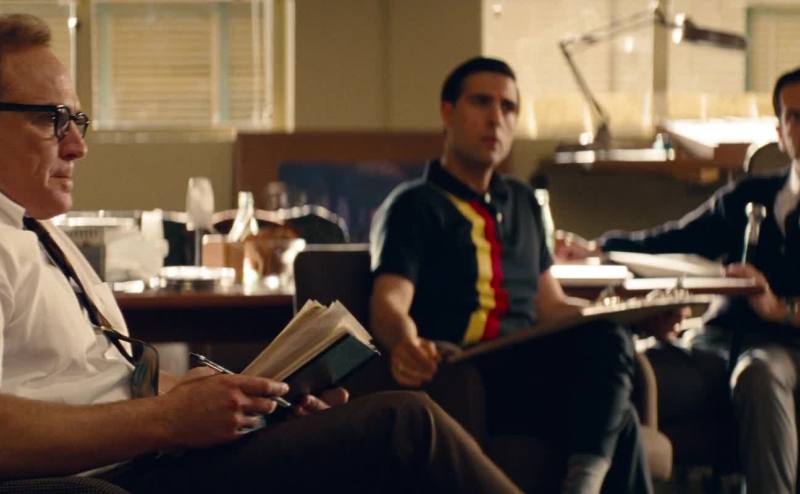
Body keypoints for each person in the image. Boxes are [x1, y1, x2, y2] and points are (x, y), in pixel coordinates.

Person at [0, 13, 523, 493]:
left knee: (372, 436)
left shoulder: (40, 231)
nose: (77, 145)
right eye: (51, 119)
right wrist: (167, 419)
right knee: (405, 427)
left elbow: (102, 379)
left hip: (153, 452)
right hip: (115, 474)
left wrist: (239, 398)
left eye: (77, 120)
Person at [369, 56, 653, 494]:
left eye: (508, 107)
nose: (496, 118)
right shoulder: (414, 205)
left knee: (620, 410)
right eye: (481, 102)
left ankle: (584, 483)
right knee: (615, 408)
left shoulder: (523, 201)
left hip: (531, 369)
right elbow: (389, 300)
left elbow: (550, 305)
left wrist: (631, 316)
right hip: (469, 374)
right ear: (447, 112)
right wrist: (404, 342)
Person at [557, 67, 800, 494]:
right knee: (620, 379)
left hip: (783, 349)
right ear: (780, 132)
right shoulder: (751, 196)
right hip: (714, 344)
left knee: (758, 374)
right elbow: (674, 240)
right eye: (793, 116)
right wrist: (599, 249)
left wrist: (779, 309)